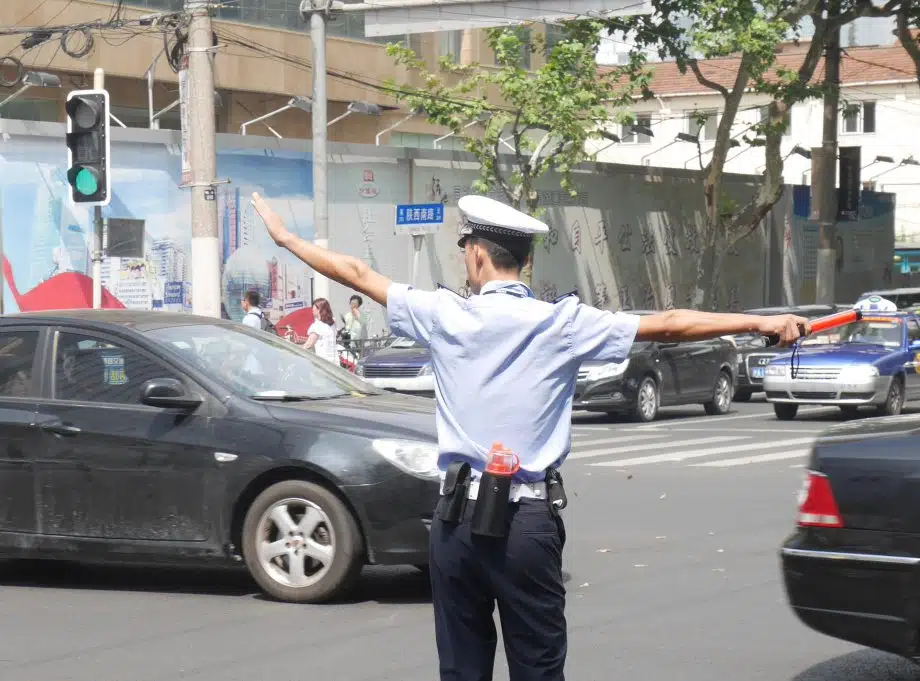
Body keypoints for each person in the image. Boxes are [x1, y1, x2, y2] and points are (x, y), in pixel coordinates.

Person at [250, 191, 808, 681]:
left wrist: (286, 238)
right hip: (527, 524)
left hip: (454, 524)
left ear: (474, 254)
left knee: (461, 670)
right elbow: (671, 322)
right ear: (527, 259)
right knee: (538, 668)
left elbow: (354, 272)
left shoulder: (442, 315)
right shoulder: (562, 323)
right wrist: (760, 323)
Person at [289, 297, 339, 364]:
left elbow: (308, 345)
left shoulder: (317, 326)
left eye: (313, 308)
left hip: (323, 363)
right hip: (335, 362)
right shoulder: (333, 323)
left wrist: (294, 352)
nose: (312, 310)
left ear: (319, 309)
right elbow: (322, 338)